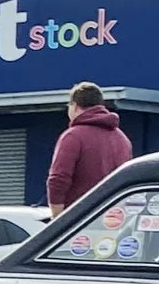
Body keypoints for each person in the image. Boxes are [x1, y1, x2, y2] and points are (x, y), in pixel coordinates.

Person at [47, 82, 130, 212]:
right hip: (113, 216)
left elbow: (58, 179)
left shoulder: (73, 136)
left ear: (74, 106)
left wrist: (57, 216)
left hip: (81, 217)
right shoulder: (122, 138)